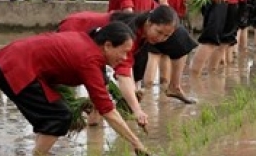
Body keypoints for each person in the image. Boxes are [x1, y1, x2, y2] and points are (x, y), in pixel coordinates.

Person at [0, 22, 154, 156]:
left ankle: (40, 155)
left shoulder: (88, 44)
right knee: (59, 116)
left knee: (54, 114)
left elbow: (101, 99)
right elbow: (108, 111)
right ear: (108, 45)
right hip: (14, 68)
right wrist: (137, 144)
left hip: (11, 61)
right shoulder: (89, 60)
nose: (125, 58)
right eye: (124, 52)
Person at [60, 8, 197, 103]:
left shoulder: (143, 32)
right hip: (75, 29)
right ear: (149, 23)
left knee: (100, 96)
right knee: (67, 85)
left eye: (166, 36)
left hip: (97, 45)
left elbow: (126, 68)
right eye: (159, 32)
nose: (161, 38)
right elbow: (123, 73)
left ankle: (95, 133)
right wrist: (137, 109)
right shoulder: (129, 34)